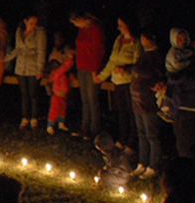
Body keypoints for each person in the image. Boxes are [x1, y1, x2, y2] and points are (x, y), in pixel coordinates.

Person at [94, 17, 139, 148]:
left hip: (129, 82)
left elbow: (138, 63)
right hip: (117, 82)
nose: (119, 28)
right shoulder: (119, 40)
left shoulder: (136, 42)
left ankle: (132, 142)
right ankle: (122, 138)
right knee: (122, 111)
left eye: (121, 25)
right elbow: (112, 61)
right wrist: (102, 76)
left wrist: (126, 69)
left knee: (131, 113)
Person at [130, 32, 166, 181]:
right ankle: (142, 163)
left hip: (148, 101)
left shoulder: (156, 56)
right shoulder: (143, 54)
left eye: (145, 37)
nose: (142, 40)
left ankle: (153, 165)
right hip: (137, 100)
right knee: (141, 133)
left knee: (151, 134)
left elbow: (154, 74)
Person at [7, 15, 48, 130]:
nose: (33, 25)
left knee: (33, 94)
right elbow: (17, 49)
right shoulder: (19, 32)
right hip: (21, 67)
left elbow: (41, 51)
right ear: (26, 21)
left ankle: (34, 118)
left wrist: (40, 69)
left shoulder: (39, 33)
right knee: (24, 94)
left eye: (35, 23)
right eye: (31, 23)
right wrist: (6, 58)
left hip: (33, 67)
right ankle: (25, 118)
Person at [70, 11, 106, 139]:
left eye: (76, 22)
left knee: (92, 99)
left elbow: (98, 50)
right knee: (85, 99)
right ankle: (84, 126)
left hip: (92, 68)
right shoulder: (82, 29)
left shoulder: (95, 29)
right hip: (81, 66)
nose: (75, 26)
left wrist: (95, 69)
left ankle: (95, 128)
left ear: (81, 19)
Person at [45, 46, 75, 135]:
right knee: (54, 111)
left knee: (62, 111)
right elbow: (65, 67)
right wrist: (70, 59)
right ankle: (50, 126)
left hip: (63, 97)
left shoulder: (62, 74)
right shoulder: (57, 73)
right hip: (57, 97)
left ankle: (61, 124)